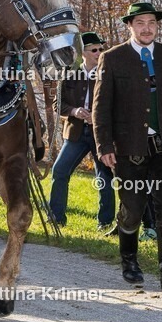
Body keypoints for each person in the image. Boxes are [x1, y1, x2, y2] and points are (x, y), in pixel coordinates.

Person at [93, 2, 162, 292]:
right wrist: (104, 145)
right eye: (140, 23)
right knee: (133, 208)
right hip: (129, 147)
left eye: (151, 22)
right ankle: (129, 261)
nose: (147, 28)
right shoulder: (113, 59)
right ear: (130, 26)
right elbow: (101, 107)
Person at [48, 32, 115, 230]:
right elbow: (57, 104)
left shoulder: (108, 74)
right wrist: (75, 111)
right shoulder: (69, 73)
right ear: (83, 53)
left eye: (101, 49)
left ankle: (105, 222)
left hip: (100, 135)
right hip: (75, 134)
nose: (99, 53)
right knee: (59, 171)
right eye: (94, 50)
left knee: (105, 178)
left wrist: (97, 115)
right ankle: (56, 217)